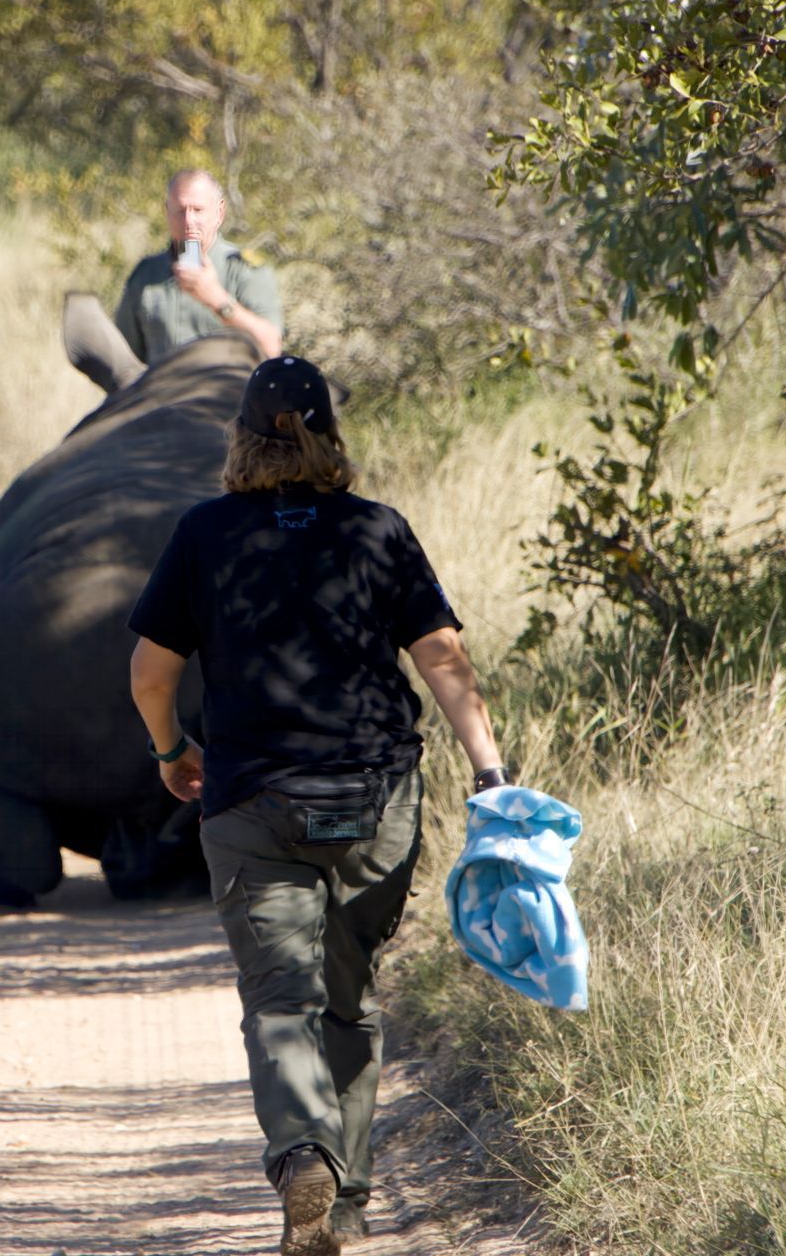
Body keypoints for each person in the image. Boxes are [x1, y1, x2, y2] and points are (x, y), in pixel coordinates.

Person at [125, 355, 507, 1255]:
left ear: (244, 438)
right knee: (350, 997)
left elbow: (150, 672)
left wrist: (172, 749)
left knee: (279, 1000)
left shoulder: (205, 534)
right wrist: (489, 770)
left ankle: (304, 1152)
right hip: (376, 801)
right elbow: (442, 660)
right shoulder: (378, 530)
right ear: (330, 435)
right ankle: (345, 1203)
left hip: (255, 801)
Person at [114, 169, 282, 364]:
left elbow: (271, 346)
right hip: (164, 391)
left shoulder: (244, 270)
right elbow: (125, 358)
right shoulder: (146, 274)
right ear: (167, 211)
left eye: (198, 210)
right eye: (180, 210)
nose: (188, 222)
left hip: (226, 391)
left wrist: (218, 301)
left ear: (219, 213)